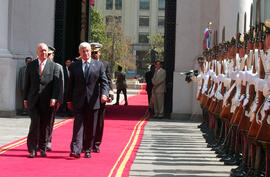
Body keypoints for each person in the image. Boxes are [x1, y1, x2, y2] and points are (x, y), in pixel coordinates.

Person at [67, 42, 108, 158]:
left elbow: (104, 82)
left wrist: (104, 94)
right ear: (79, 52)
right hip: (78, 100)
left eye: (88, 51)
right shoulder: (74, 66)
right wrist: (69, 100)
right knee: (78, 126)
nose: (86, 53)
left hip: (93, 101)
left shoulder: (99, 65)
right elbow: (71, 85)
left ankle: (87, 148)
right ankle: (75, 149)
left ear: (90, 51)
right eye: (83, 51)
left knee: (90, 126)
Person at [24, 43, 60, 158]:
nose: (44, 53)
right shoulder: (31, 65)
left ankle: (42, 148)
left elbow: (56, 85)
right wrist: (25, 98)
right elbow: (27, 83)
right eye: (41, 51)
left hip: (47, 101)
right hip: (33, 100)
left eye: (45, 51)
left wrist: (54, 97)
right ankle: (32, 149)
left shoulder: (53, 66)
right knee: (34, 123)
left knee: (45, 125)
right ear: (37, 52)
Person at [89, 42, 114, 153]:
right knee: (88, 119)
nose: (94, 55)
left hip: (101, 95)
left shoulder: (105, 64)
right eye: (92, 52)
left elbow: (108, 80)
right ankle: (87, 142)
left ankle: (97, 143)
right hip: (89, 95)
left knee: (99, 121)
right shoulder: (86, 63)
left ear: (100, 52)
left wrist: (110, 93)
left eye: (96, 52)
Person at [46, 46, 64, 151]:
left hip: (52, 99)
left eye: (49, 55)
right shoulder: (38, 65)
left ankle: (48, 141)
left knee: (50, 121)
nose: (47, 56)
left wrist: (59, 100)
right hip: (40, 99)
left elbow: (61, 85)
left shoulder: (58, 67)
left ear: (53, 55)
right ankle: (40, 140)